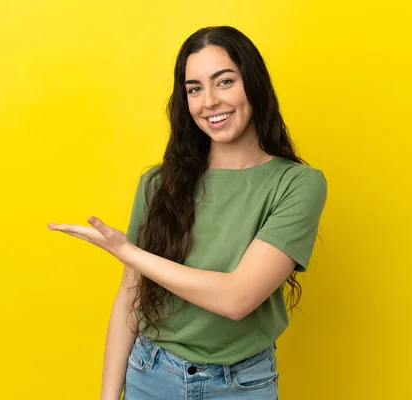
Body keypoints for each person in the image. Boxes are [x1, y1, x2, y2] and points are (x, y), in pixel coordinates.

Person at [48, 26, 327, 400]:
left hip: (241, 385)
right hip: (150, 375)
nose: (209, 101)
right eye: (194, 88)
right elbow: (131, 298)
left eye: (224, 81)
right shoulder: (158, 182)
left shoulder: (297, 184)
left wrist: (128, 252)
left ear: (254, 85)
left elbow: (237, 299)